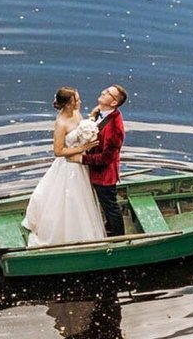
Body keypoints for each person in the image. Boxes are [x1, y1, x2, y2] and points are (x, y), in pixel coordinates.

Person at [21, 87, 107, 247]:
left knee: (82, 199)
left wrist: (91, 119)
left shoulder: (76, 113)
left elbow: (81, 129)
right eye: (76, 100)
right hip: (69, 167)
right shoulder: (61, 123)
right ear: (68, 104)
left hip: (80, 165)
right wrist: (81, 149)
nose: (80, 102)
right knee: (70, 200)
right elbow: (58, 151)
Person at [81, 83, 128, 236]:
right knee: (106, 205)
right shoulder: (102, 113)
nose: (103, 92)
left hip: (104, 175)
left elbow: (106, 158)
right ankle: (109, 228)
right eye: (106, 90)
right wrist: (93, 116)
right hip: (96, 170)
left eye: (108, 93)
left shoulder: (115, 127)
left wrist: (81, 158)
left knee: (110, 206)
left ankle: (118, 237)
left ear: (114, 103)